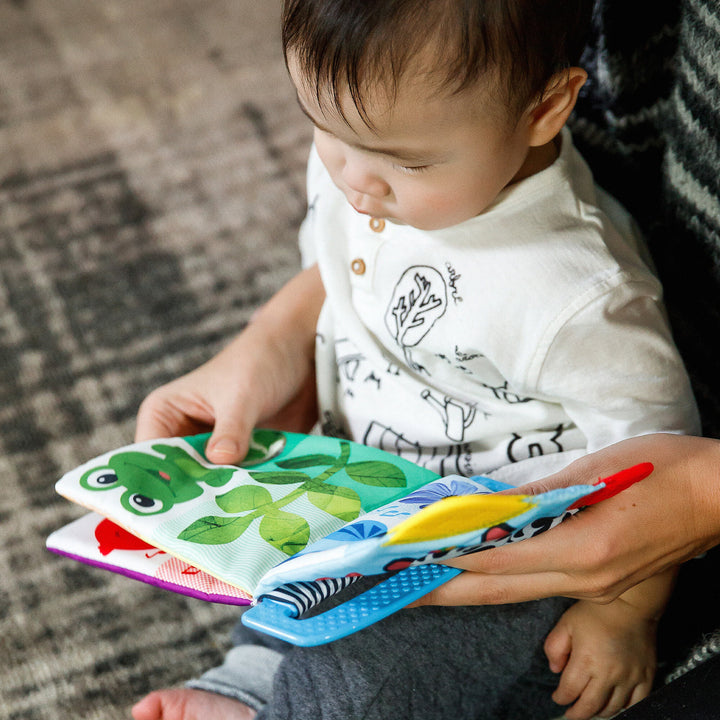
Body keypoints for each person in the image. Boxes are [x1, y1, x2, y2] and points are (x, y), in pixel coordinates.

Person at [130, 1, 702, 719]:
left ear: (545, 109)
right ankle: (250, 682)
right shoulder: (367, 150)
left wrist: (625, 613)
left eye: (408, 161)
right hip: (366, 485)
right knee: (279, 573)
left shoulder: (579, 293)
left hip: (503, 551)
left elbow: (657, 459)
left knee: (376, 685)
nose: (354, 182)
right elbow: (341, 271)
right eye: (326, 129)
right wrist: (274, 333)